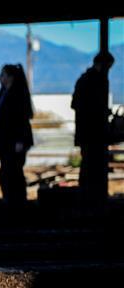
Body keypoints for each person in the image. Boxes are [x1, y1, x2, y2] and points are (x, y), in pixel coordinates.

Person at [72, 51, 115, 207]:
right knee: (93, 167)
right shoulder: (95, 80)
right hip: (92, 134)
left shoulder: (84, 80)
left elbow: (75, 104)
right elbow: (84, 105)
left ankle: (87, 198)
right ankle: (92, 199)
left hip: (87, 133)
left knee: (88, 166)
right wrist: (101, 112)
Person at [0, 64, 34, 207]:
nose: (1, 78)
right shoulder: (5, 94)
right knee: (8, 171)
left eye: (3, 75)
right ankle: (10, 201)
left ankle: (17, 202)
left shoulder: (17, 95)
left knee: (13, 171)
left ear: (10, 77)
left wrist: (20, 139)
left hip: (13, 141)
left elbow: (21, 119)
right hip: (5, 140)